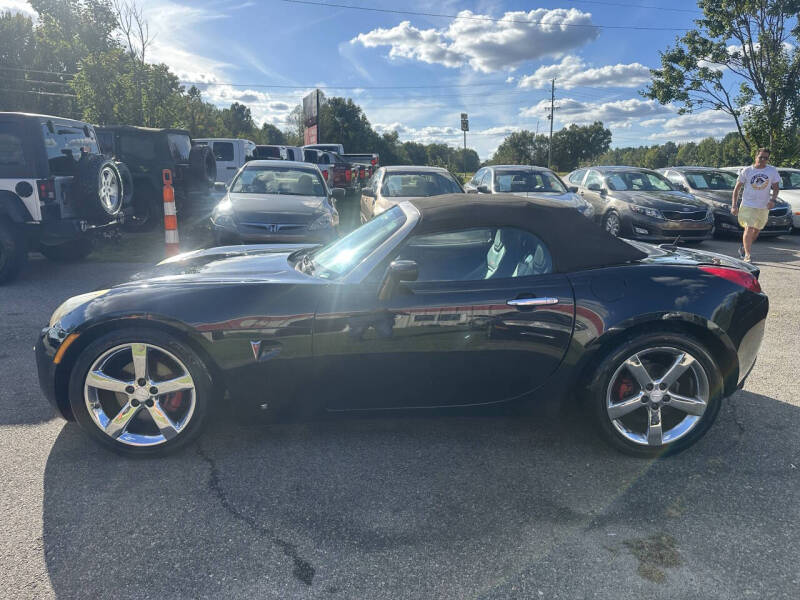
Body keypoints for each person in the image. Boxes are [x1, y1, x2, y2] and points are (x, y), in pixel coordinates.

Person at [731, 148, 780, 262]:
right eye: (761, 157)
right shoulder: (747, 170)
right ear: (756, 157)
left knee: (757, 230)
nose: (763, 160)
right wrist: (734, 205)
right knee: (749, 228)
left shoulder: (772, 171)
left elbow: (776, 188)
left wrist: (773, 200)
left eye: (766, 158)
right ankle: (748, 255)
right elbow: (737, 189)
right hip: (748, 204)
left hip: (763, 206)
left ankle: (744, 248)